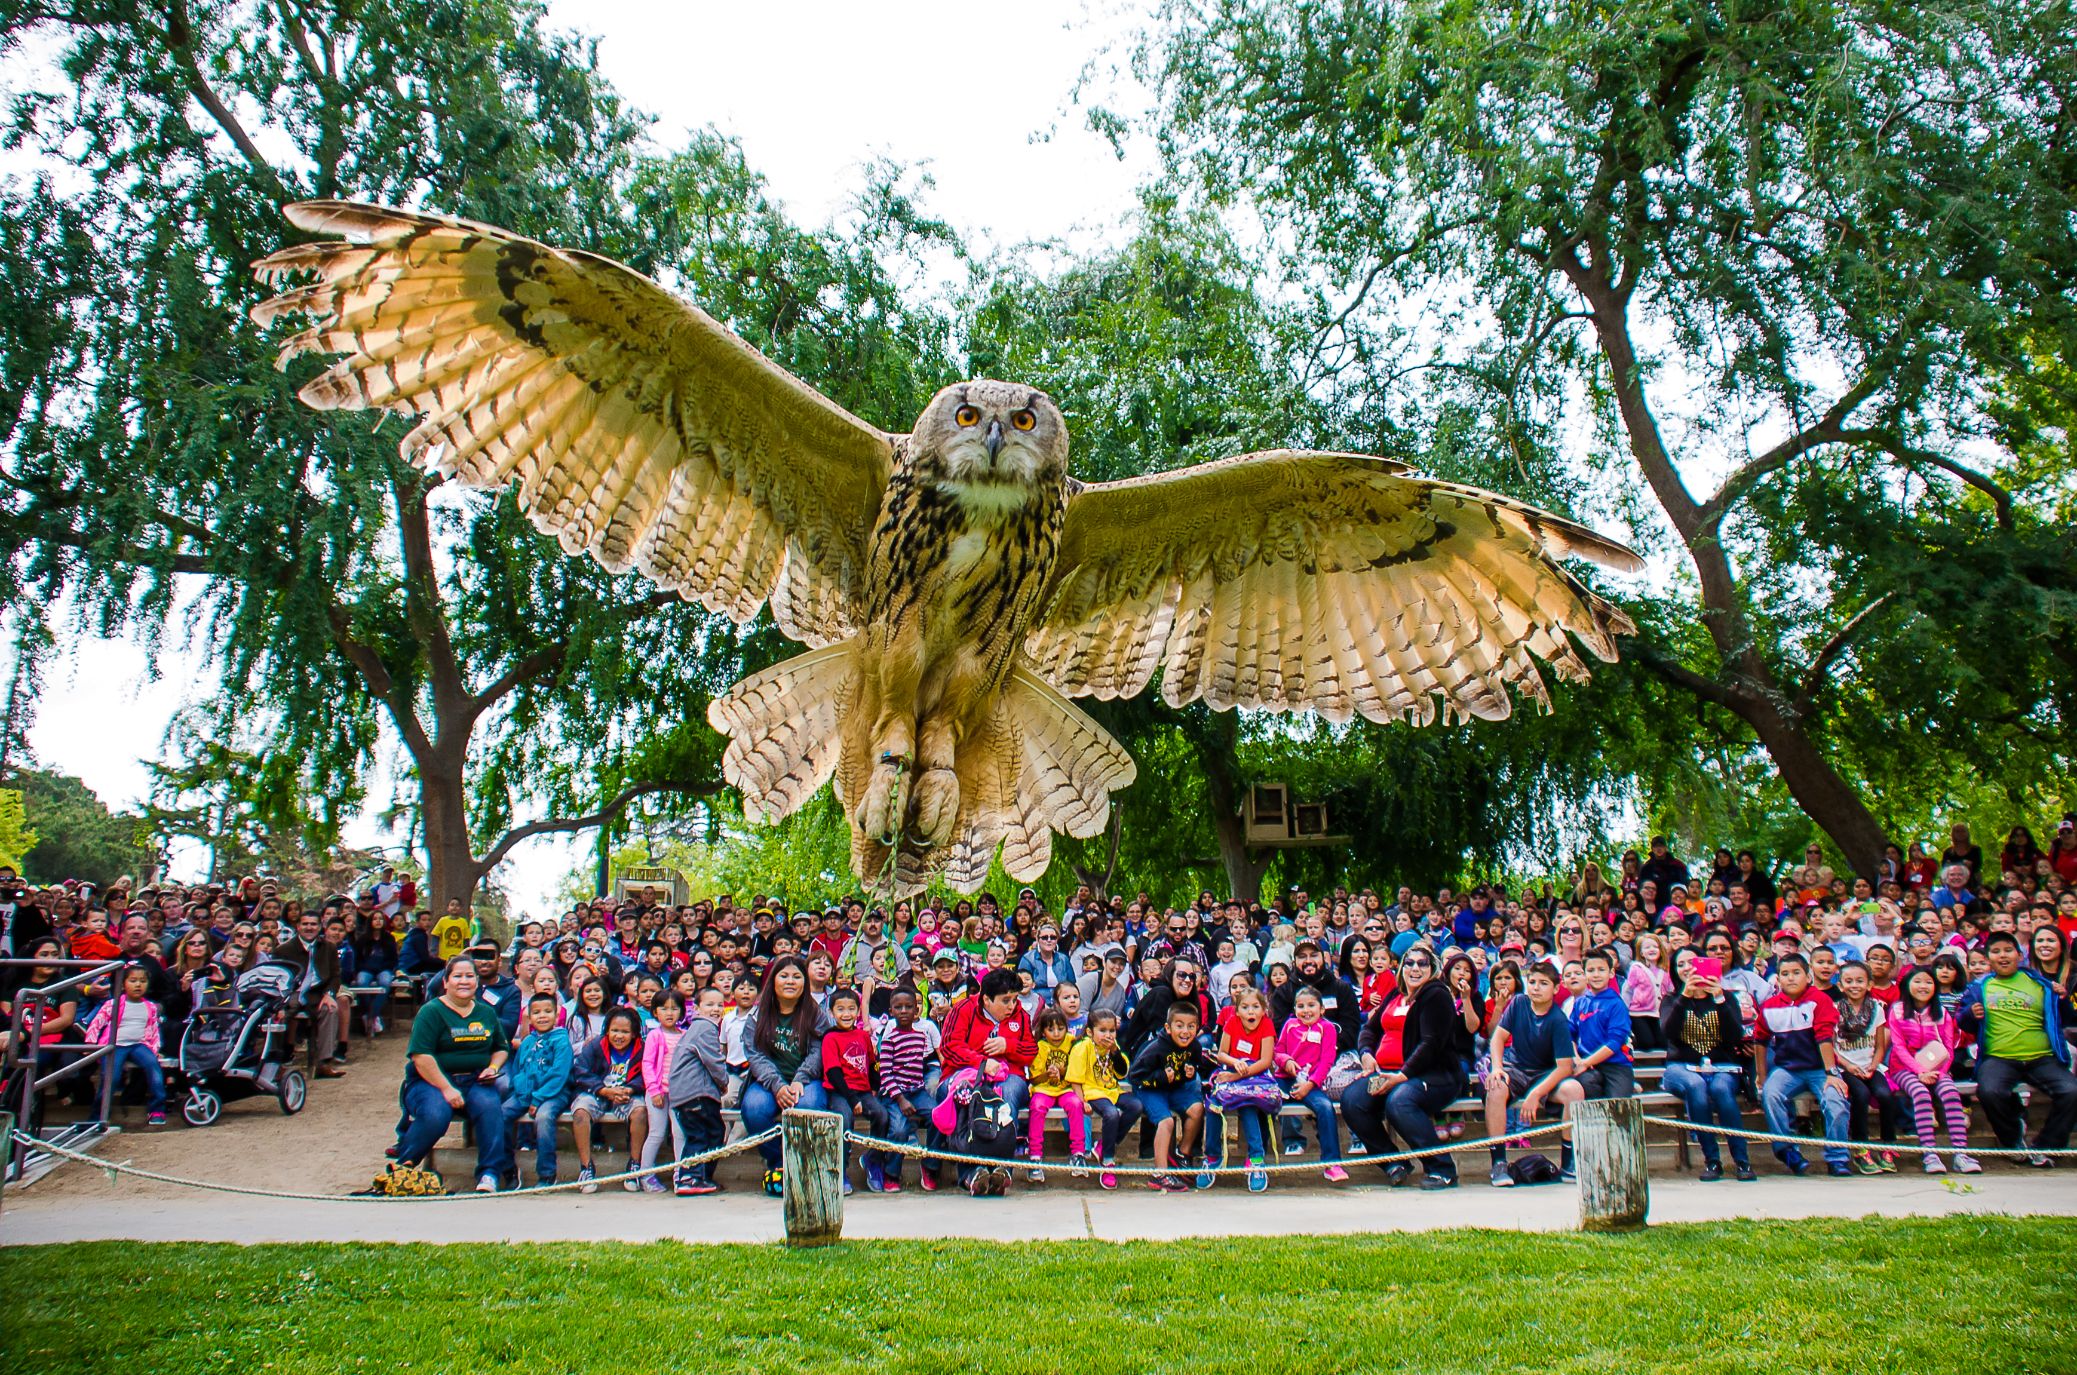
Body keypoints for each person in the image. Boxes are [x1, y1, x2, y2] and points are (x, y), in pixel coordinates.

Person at [1341, 947, 1465, 1189]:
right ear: (1401, 968)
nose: (1415, 968)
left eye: (1422, 964)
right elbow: (1369, 1029)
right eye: (1409, 963)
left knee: (1399, 1102)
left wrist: (1402, 1076)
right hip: (1388, 1072)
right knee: (1352, 1100)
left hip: (1434, 1074)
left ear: (1433, 970)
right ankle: (1392, 1162)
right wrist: (1366, 1054)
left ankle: (1442, 1169)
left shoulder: (1436, 995)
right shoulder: (1395, 994)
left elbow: (1431, 1043)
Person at [1958, 930, 2077, 1166]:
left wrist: (2062, 999)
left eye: (2008, 950)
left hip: (2043, 1058)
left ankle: (2046, 1147)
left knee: (2071, 1092)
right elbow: (1963, 1021)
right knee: (1989, 1091)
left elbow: (2067, 1019)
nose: (2003, 956)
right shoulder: (1979, 987)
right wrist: (1971, 1013)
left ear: (2019, 954)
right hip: (1999, 1058)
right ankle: (2013, 1140)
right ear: (1989, 957)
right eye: (1996, 951)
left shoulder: (2041, 983)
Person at [397, 954, 511, 1192]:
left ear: (478, 982)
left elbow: (500, 1048)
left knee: (490, 1108)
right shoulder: (431, 1011)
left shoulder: (486, 1013)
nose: (464, 981)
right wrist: (447, 1089)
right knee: (436, 1112)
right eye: (457, 976)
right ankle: (405, 1164)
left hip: (476, 1080)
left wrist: (493, 1068)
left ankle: (489, 1174)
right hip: (432, 1081)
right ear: (446, 982)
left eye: (470, 976)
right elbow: (421, 1056)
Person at [740, 955, 834, 1194]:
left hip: (806, 1080)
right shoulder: (756, 1015)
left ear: (805, 981)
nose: (790, 981)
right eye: (784, 976)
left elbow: (819, 1050)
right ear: (773, 981)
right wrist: (778, 1086)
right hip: (769, 1082)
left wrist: (799, 1080)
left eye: (796, 976)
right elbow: (756, 1056)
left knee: (809, 1105)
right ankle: (778, 1162)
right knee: (754, 1108)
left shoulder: (816, 1014)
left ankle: (804, 1165)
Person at [1484, 962, 1581, 1186]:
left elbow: (1565, 1067)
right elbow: (1497, 1038)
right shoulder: (1518, 1003)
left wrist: (1536, 1094)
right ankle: (1498, 1163)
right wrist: (1497, 1067)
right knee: (1496, 1087)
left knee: (1574, 1090)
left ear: (1556, 989)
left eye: (1543, 983)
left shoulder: (1558, 1020)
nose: (1536, 988)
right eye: (1533, 982)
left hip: (1545, 1074)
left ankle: (1569, 1161)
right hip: (1515, 1069)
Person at [1755, 953, 1853, 1177]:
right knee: (1771, 1094)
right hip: (1788, 1069)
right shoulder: (1770, 1007)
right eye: (1785, 974)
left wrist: (1831, 1073)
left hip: (1820, 1068)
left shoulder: (1819, 1000)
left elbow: (1824, 1037)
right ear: (1778, 979)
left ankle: (1837, 1158)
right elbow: (1760, 1041)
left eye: (1796, 973)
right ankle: (1787, 1151)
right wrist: (1761, 1076)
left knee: (1835, 1101)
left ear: (1808, 976)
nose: (1790, 978)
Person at [1659, 956, 1756, 1182]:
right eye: (1680, 965)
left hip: (1722, 1065)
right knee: (1696, 1087)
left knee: (1722, 1090)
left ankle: (1742, 1160)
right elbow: (1668, 1032)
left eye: (1691, 964)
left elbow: (1734, 1037)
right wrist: (1685, 997)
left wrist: (1719, 999)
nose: (1687, 969)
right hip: (1681, 1066)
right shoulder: (1671, 999)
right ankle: (1712, 1160)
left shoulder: (1726, 997)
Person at [1886, 966, 1979, 1174]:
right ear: (1907, 985)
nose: (1923, 986)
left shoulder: (1942, 1013)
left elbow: (1948, 1047)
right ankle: (1930, 1153)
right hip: (1904, 1068)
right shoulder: (1898, 1010)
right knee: (1920, 1093)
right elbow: (1898, 1047)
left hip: (1937, 1069)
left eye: (1928, 982)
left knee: (1950, 1092)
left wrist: (1940, 1071)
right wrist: (1920, 1071)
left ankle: (1960, 1154)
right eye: (1917, 981)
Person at [1127, 1000, 1210, 1192]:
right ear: (1168, 1027)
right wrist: (1160, 1077)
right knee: (1167, 1122)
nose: (1185, 1032)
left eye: (1191, 1026)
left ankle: (1183, 1154)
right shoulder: (1156, 1048)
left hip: (1174, 1088)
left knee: (1197, 1109)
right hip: (1149, 1089)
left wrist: (1188, 1072)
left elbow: (1193, 1065)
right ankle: (1160, 1173)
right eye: (1179, 1026)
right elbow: (1134, 1076)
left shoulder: (1194, 1047)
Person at [819, 986, 891, 1194]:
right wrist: (852, 1099)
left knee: (882, 1116)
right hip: (840, 1092)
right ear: (832, 1013)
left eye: (851, 1009)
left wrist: (875, 1086)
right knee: (845, 1119)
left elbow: (872, 1063)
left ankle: (873, 1160)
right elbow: (833, 1072)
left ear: (858, 1011)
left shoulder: (862, 1035)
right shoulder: (830, 1038)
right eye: (840, 1009)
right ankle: (841, 1170)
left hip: (863, 1091)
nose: (846, 1014)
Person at [1273, 985, 1348, 1182]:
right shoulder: (1289, 1025)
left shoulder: (1327, 1028)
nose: (1306, 1010)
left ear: (1321, 1009)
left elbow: (1327, 1061)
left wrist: (1311, 1083)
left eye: (1311, 1005)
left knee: (1324, 1107)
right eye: (1300, 1006)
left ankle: (1331, 1163)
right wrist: (1286, 1061)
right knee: (1261, 1100)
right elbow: (1278, 1051)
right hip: (1285, 1079)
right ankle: (1257, 1159)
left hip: (1311, 1082)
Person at [499, 991, 573, 1188]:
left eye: (548, 1011)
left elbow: (559, 1074)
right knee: (501, 1114)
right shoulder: (527, 1042)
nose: (542, 1016)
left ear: (557, 1015)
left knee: (543, 1117)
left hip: (553, 1094)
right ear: (529, 1017)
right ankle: (508, 1169)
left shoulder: (561, 1040)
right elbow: (518, 1071)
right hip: (526, 1093)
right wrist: (521, 1093)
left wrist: (538, 1098)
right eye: (537, 1012)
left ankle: (547, 1174)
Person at [1832, 961, 1900, 1174]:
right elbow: (1831, 1046)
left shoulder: (1877, 1009)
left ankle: (1889, 1145)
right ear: (1841, 986)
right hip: (1846, 1067)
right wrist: (1849, 1066)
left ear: (1869, 984)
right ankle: (1860, 1148)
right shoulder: (1835, 1010)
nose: (1855, 985)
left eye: (1860, 981)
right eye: (1849, 981)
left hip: (1871, 1065)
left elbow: (1880, 1044)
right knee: (1859, 1095)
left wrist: (1873, 1065)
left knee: (1886, 1095)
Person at [570, 1007, 648, 1193]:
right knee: (580, 1113)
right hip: (597, 1091)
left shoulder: (641, 1048)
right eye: (614, 1030)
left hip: (626, 1093)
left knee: (640, 1112)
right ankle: (586, 1167)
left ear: (634, 1033)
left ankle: (634, 1165)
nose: (618, 1036)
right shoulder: (596, 1045)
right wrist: (603, 1090)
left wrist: (630, 1088)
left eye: (624, 1032)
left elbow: (647, 1072)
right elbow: (580, 1070)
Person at [1208, 985, 1277, 1192]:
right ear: (1237, 1011)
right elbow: (1221, 1053)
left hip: (1256, 1076)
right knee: (1212, 1105)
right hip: (1232, 1072)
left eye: (1256, 1006)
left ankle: (1256, 1158)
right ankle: (1212, 1156)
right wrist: (1234, 1062)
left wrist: (1239, 1074)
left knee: (1247, 1104)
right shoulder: (1232, 1022)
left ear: (1263, 1010)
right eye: (1245, 1007)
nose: (1251, 1012)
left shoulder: (1267, 1026)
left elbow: (1265, 1061)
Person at [82, 963, 168, 1126]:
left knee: (154, 1068)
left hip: (139, 1044)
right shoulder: (113, 1004)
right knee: (111, 1078)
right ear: (123, 984)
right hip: (114, 1045)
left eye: (142, 981)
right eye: (133, 980)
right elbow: (96, 1023)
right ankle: (98, 1115)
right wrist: (91, 1044)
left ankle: (157, 1109)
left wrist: (155, 1049)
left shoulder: (150, 1007)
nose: (138, 984)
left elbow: (154, 1029)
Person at [874, 988, 941, 1191]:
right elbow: (885, 1074)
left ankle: (930, 1166)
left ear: (916, 1011)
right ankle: (891, 1172)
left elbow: (918, 1067)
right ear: (891, 1011)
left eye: (909, 1007)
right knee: (899, 1130)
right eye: (898, 1007)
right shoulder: (889, 1039)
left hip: (916, 1090)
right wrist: (901, 1100)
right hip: (894, 1095)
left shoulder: (921, 1036)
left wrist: (914, 1095)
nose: (904, 1011)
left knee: (937, 1117)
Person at [1071, 1008, 1141, 1191]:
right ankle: (1108, 1161)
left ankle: (1103, 1145)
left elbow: (1121, 1072)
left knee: (1135, 1106)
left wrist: (1115, 1051)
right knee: (1111, 1114)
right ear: (1089, 1031)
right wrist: (1082, 1102)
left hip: (1111, 1090)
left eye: (1111, 1031)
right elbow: (1075, 1081)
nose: (1108, 1035)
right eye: (1102, 1030)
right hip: (1092, 1092)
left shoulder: (1112, 1046)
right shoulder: (1082, 1048)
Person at [668, 985, 729, 1195]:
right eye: (709, 1004)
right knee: (701, 1135)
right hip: (695, 1092)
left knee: (713, 1132)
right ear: (696, 1008)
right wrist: (723, 1082)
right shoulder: (705, 1027)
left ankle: (702, 1176)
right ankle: (689, 1177)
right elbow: (714, 1060)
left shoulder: (698, 1028)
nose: (716, 1009)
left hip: (691, 1092)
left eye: (720, 1004)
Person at [1024, 1007, 1089, 1183]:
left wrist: (1062, 1071)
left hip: (1066, 1088)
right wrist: (1048, 1074)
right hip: (1044, 1089)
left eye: (1060, 1028)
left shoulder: (1071, 1042)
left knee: (1076, 1104)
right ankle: (1035, 1156)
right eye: (1050, 1029)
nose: (1056, 1033)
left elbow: (1078, 1065)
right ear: (1043, 1031)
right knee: (1037, 1107)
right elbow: (1034, 1080)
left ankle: (1078, 1153)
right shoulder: (1040, 1047)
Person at [636, 991, 689, 1194]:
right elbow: (647, 1064)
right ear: (655, 1012)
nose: (669, 1013)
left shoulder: (685, 1036)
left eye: (674, 1008)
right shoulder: (654, 1036)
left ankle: (681, 1175)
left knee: (679, 1133)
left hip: (678, 1093)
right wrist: (654, 1089)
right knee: (656, 1133)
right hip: (657, 1092)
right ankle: (645, 1175)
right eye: (664, 1009)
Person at [1569, 949, 1634, 1103]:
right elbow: (1569, 1033)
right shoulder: (1580, 1002)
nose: (1596, 975)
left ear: (1611, 973)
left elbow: (1615, 1042)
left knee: (1619, 1106)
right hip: (1587, 1066)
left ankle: (1629, 1084)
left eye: (1601, 970)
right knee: (1584, 1088)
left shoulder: (1616, 1004)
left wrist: (1586, 1062)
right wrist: (1577, 1059)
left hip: (1616, 1066)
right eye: (1591, 970)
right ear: (1584, 974)